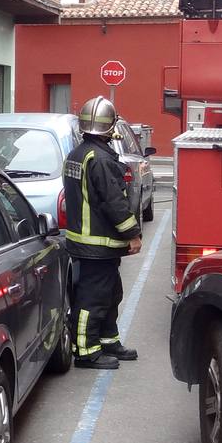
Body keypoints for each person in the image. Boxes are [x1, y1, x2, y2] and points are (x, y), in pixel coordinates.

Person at [62, 96, 143, 369]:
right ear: (110, 127)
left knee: (110, 294)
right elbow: (114, 202)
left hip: (89, 244)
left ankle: (108, 342)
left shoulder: (78, 154)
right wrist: (132, 233)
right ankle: (86, 352)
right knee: (92, 299)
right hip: (97, 245)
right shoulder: (100, 159)